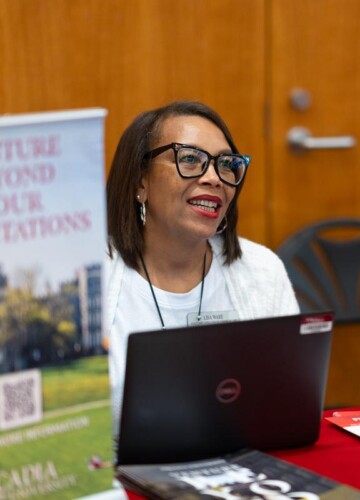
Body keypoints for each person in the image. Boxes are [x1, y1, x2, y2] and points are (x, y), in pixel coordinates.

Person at [106, 100, 299, 437]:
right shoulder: (91, 278)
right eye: (190, 159)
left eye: (226, 164)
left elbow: (286, 403)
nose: (214, 178)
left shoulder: (261, 270)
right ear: (140, 182)